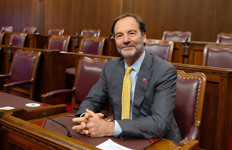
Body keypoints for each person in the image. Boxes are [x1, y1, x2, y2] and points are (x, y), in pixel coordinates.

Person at [72, 13, 182, 143]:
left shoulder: (164, 71)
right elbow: (93, 100)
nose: (125, 40)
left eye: (131, 33)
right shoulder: (110, 67)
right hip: (122, 139)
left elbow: (159, 123)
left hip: (158, 141)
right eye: (119, 35)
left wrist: (109, 127)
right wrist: (86, 119)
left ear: (144, 37)